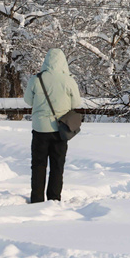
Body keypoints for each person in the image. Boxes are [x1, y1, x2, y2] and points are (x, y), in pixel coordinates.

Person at [24, 48, 81, 203]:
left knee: (38, 164)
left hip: (40, 129)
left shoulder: (36, 79)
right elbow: (76, 103)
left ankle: (37, 199)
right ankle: (54, 198)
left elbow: (28, 101)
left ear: (46, 61)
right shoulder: (68, 80)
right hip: (60, 129)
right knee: (57, 165)